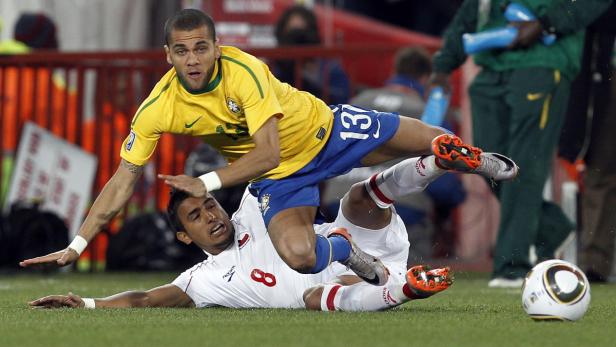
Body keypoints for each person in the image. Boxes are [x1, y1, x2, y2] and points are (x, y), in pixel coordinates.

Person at [21, 9, 518, 287]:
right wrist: (78, 243)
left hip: (323, 130)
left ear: (216, 47)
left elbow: (268, 152)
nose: (193, 59)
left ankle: (474, 159)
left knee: (427, 139)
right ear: (167, 55)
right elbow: (123, 177)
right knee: (302, 259)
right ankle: (342, 248)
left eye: (201, 48)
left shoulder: (244, 71)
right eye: (181, 50)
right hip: (283, 179)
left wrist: (207, 182)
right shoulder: (159, 107)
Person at [30, 157, 454, 311]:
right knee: (314, 297)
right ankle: (407, 288)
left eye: (209, 204)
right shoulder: (202, 280)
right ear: (183, 237)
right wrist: (85, 303)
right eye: (195, 216)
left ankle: (438, 160)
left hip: (364, 242)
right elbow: (143, 298)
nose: (211, 216)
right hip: (349, 289)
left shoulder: (254, 202)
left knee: (361, 196)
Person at [430, 0, 613, 287]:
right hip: (490, 66)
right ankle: (551, 227)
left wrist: (546, 24)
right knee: (487, 162)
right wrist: (443, 66)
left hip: (543, 62)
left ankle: (512, 265)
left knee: (525, 163)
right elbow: (472, 9)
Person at [329, 46, 466, 264]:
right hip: (400, 210)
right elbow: (445, 186)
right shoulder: (427, 114)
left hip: (338, 205)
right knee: (401, 279)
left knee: (338, 279)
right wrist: (457, 198)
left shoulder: (356, 102)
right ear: (425, 78)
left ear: (395, 71)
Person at [558, 3, 616, 283]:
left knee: (600, 175)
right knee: (600, 172)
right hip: (606, 81)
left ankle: (595, 259)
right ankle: (595, 262)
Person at [273, 4, 350, 104]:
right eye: (292, 35)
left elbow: (341, 99)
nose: (297, 42)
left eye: (302, 35)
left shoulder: (329, 68)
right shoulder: (274, 66)